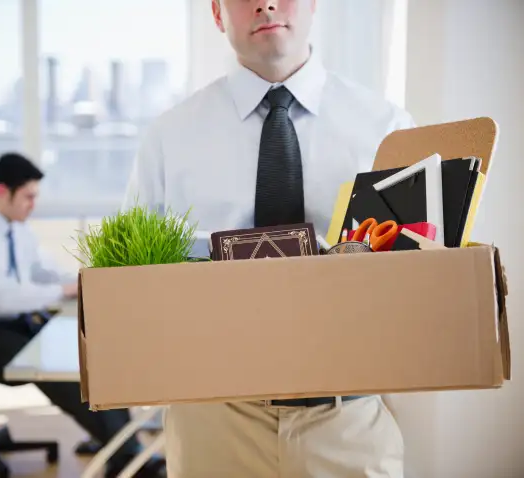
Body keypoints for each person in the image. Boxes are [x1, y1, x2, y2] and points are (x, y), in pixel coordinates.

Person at [121, 0, 416, 477]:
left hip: (347, 422)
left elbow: (419, 280)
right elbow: (132, 285)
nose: (266, 3)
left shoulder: (388, 131)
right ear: (216, 13)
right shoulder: (168, 139)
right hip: (213, 421)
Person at [0, 153, 164, 478]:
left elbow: (44, 271)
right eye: (28, 196)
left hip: (8, 323)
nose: (33, 204)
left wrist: (82, 280)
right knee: (59, 369)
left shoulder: (16, 230)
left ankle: (115, 442)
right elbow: (1, 296)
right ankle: (126, 455)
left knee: (88, 351)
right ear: (2, 191)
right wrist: (63, 291)